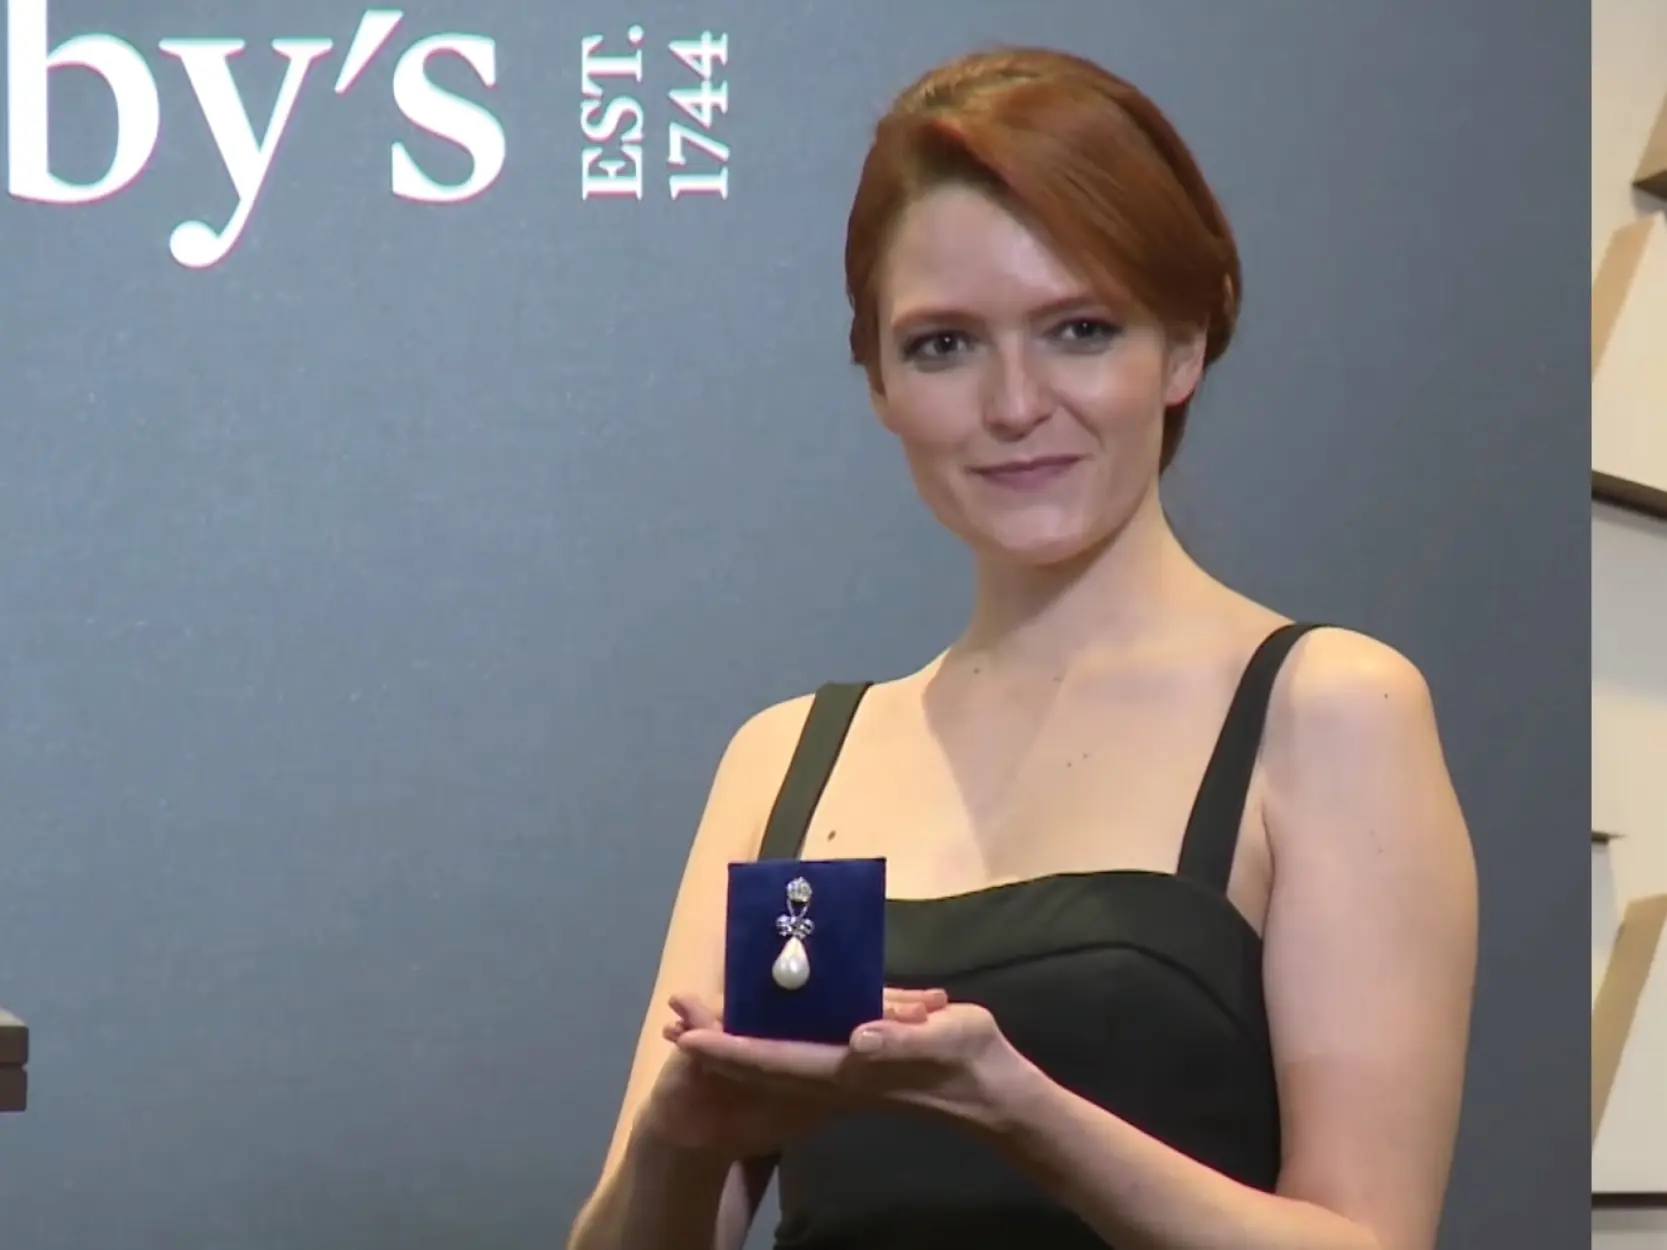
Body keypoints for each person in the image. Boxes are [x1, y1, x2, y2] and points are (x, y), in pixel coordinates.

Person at [566, 44, 1478, 1250]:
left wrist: (1023, 1111)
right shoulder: (789, 760)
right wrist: (677, 1140)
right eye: (943, 343)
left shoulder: (1325, 708)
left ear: (1184, 344)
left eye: (1079, 329)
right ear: (879, 382)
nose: (1011, 404)